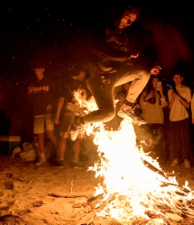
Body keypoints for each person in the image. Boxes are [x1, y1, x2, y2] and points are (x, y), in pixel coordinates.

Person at [69, 5, 161, 140]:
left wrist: (148, 66)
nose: (128, 23)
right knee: (108, 114)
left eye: (132, 22)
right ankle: (78, 123)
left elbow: (127, 61)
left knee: (144, 72)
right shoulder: (103, 28)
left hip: (113, 76)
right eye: (128, 18)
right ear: (120, 12)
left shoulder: (124, 37)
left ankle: (127, 106)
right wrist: (127, 55)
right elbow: (99, 48)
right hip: (98, 78)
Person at [54, 70, 89, 168]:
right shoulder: (85, 85)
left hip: (68, 113)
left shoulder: (68, 83)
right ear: (80, 73)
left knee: (64, 137)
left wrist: (57, 114)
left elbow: (62, 99)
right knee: (78, 138)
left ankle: (61, 161)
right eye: (83, 72)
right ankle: (75, 162)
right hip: (80, 115)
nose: (84, 74)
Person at [27, 63, 57, 166]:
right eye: (35, 70)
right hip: (37, 112)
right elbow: (29, 101)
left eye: (38, 69)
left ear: (43, 70)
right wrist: (29, 93)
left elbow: (54, 95)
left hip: (47, 112)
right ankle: (42, 158)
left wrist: (51, 104)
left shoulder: (48, 81)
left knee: (50, 133)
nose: (36, 71)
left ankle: (60, 155)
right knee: (40, 136)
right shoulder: (33, 83)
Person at [140, 76, 168, 163]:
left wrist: (161, 92)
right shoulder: (145, 92)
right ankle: (150, 159)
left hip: (158, 120)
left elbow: (164, 105)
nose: (155, 83)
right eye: (154, 81)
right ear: (151, 83)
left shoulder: (160, 93)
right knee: (149, 141)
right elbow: (142, 106)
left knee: (159, 141)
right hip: (148, 121)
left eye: (157, 81)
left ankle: (161, 160)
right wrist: (147, 98)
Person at [168, 73, 192, 168]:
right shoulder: (170, 91)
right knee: (175, 139)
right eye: (175, 77)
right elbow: (170, 106)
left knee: (184, 139)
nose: (177, 79)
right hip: (173, 118)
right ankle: (176, 158)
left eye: (178, 77)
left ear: (182, 78)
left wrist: (179, 98)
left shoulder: (187, 89)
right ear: (173, 79)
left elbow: (188, 105)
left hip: (184, 117)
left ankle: (186, 159)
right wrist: (173, 98)